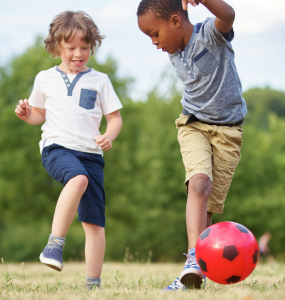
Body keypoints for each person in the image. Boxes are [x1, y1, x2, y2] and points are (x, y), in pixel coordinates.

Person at [137, 0, 246, 291]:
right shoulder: (174, 50)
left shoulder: (210, 34)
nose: (154, 42)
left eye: (154, 33)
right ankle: (193, 260)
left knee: (208, 202)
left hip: (228, 133)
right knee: (198, 184)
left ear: (175, 21)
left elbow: (228, 15)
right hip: (193, 125)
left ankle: (199, 273)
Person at [15, 11, 123, 290]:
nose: (79, 53)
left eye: (84, 47)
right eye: (71, 47)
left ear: (92, 47)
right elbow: (39, 113)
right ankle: (54, 245)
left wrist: (109, 136)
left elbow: (114, 118)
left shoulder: (100, 80)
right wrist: (27, 114)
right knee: (77, 179)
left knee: (94, 223)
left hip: (92, 155)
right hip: (57, 148)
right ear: (56, 47)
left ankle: (93, 284)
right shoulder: (45, 78)